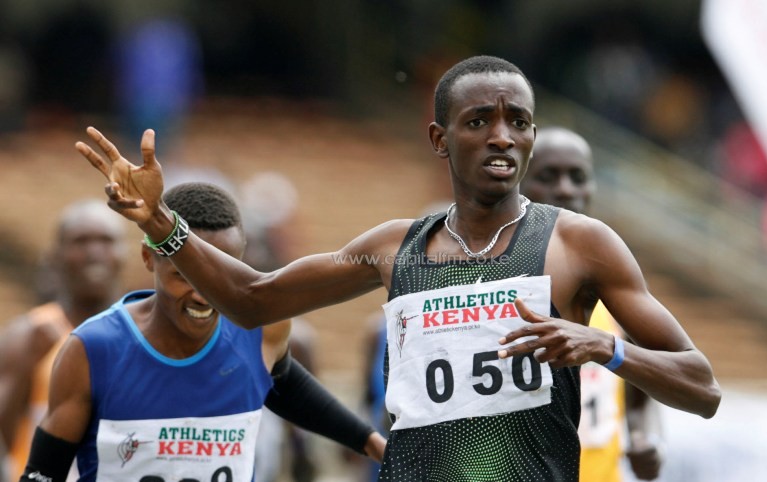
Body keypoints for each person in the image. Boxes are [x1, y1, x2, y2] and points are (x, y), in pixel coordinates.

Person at [77, 54, 721, 481]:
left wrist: (604, 346)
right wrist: (160, 223)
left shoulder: (582, 245)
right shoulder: (393, 248)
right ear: (440, 139)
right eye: (480, 121)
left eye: (517, 122)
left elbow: (702, 386)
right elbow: (252, 299)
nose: (502, 136)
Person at [18, 182, 385, 481]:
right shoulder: (94, 348)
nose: (202, 293)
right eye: (184, 275)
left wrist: (368, 441)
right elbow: (42, 473)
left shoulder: (261, 329)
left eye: (217, 277)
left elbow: (282, 381)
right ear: (150, 259)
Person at [521, 126, 663, 481]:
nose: (566, 189)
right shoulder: (499, 289)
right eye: (548, 176)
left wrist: (644, 436)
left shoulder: (614, 294)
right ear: (519, 185)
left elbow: (644, 391)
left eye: (578, 176)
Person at [0, 199, 128, 481]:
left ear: (125, 253)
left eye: (106, 241)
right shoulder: (28, 334)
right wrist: (26, 368)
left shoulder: (142, 334)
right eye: (80, 242)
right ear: (55, 254)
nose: (94, 253)